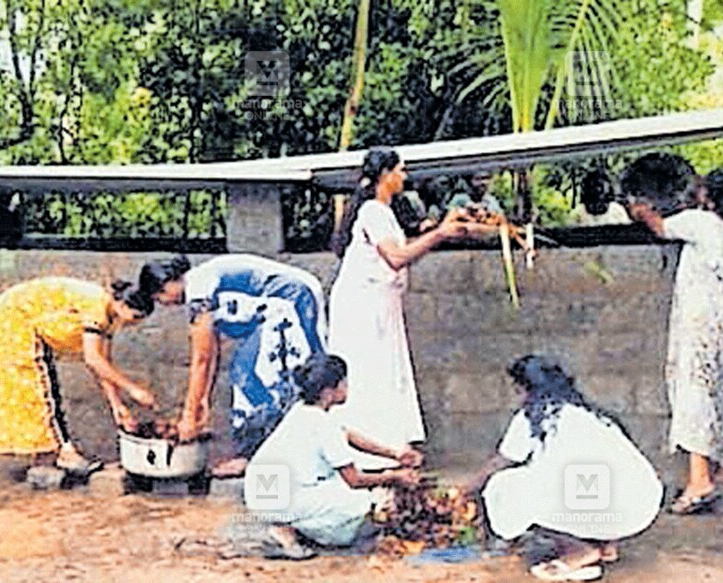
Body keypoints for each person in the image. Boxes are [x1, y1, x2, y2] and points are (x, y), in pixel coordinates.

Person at [328, 147, 487, 469]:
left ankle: (388, 447)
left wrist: (450, 224)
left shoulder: (386, 212)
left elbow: (412, 242)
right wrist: (441, 233)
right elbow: (397, 257)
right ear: (386, 175)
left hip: (381, 306)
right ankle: (367, 453)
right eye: (400, 170)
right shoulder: (372, 211)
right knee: (369, 375)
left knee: (386, 374)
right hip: (363, 308)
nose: (404, 176)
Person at [628, 166, 723, 515]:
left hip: (704, 327)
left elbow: (661, 228)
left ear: (709, 198)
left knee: (696, 396)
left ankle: (699, 481)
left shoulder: (698, 223)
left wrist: (644, 211)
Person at [467, 355, 662, 582]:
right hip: (640, 508)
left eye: (518, 391)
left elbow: (501, 462)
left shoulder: (533, 416)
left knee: (504, 486)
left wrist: (467, 489)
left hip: (609, 509)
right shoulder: (592, 414)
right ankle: (607, 545)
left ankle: (579, 550)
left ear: (526, 389)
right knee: (585, 479)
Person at [147, 254, 327, 478]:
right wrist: (203, 400)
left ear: (169, 282)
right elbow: (212, 351)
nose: (164, 303)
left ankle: (254, 456)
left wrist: (189, 416)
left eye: (159, 296)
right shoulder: (201, 285)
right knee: (262, 377)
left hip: (292, 302)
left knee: (253, 376)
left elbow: (201, 359)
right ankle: (269, 453)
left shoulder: (199, 289)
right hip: (282, 308)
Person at [247, 353, 423, 559]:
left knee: (336, 486)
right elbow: (354, 480)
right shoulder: (323, 424)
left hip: (259, 491)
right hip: (277, 497)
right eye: (344, 383)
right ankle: (289, 530)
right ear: (329, 392)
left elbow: (347, 435)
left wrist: (395, 454)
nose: (347, 387)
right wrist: (393, 476)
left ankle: (289, 525)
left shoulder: (303, 410)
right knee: (363, 502)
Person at [0, 276, 159, 474]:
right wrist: (134, 389)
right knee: (39, 386)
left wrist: (118, 406)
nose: (134, 324)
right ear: (120, 303)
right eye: (135, 317)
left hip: (28, 319)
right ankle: (64, 452)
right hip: (16, 315)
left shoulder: (111, 317)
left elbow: (102, 364)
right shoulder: (97, 306)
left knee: (43, 384)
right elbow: (92, 359)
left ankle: (46, 455)